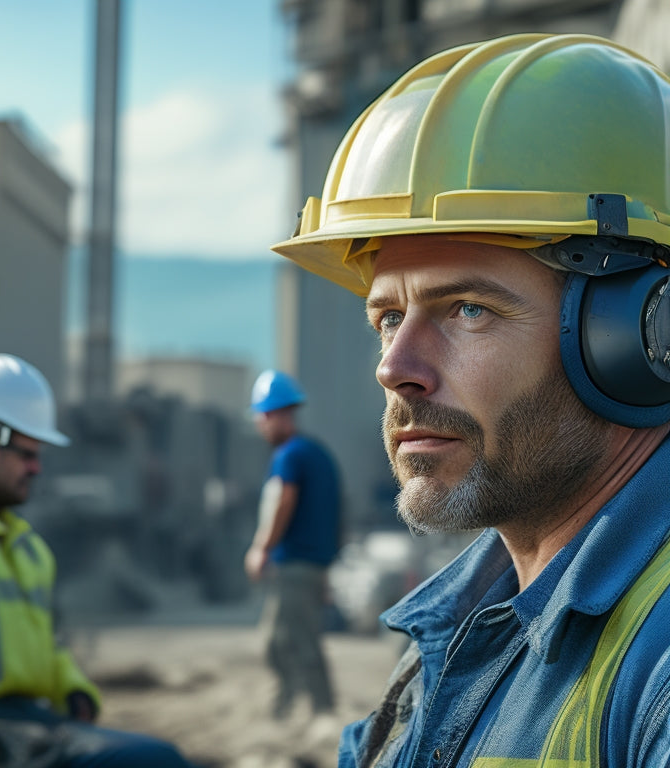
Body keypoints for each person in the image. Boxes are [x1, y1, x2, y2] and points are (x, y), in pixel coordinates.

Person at [269, 32, 670, 767]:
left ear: (645, 336)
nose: (396, 367)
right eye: (388, 317)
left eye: (467, 310)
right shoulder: (459, 624)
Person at [0, 353, 191, 768]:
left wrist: (72, 690)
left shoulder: (27, 548)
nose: (37, 468)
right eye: (27, 455)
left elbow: (44, 646)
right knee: (153, 761)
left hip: (18, 720)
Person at [244, 369, 341, 720]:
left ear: (272, 415)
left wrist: (261, 548)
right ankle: (293, 705)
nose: (260, 427)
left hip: (296, 567)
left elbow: (282, 501)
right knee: (286, 640)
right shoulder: (317, 454)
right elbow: (335, 514)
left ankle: (317, 711)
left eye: (261, 419)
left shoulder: (289, 456)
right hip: (312, 565)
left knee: (293, 641)